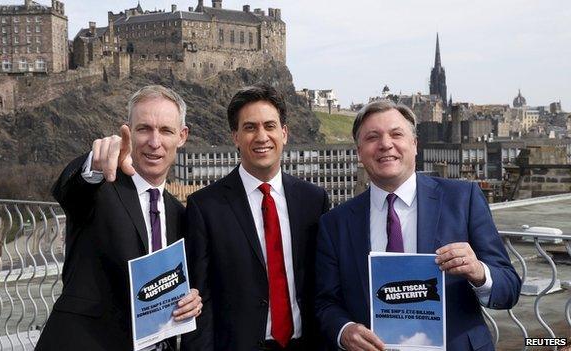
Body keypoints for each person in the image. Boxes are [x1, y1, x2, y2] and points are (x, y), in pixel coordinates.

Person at [315, 100, 521, 351]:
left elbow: (509, 287)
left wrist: (479, 273)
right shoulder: (335, 223)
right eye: (372, 137)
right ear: (359, 151)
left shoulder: (463, 199)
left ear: (415, 145)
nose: (385, 144)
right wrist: (344, 330)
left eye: (396, 134)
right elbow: (325, 302)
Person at [36, 85, 203, 351]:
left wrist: (191, 300)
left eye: (166, 131)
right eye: (144, 129)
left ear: (182, 136)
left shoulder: (180, 215)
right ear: (128, 131)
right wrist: (94, 164)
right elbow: (70, 191)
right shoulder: (101, 187)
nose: (154, 142)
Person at [182, 83, 329, 351]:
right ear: (235, 137)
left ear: (284, 133)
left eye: (270, 126)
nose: (261, 136)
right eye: (250, 127)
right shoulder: (205, 206)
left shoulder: (314, 200)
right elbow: (200, 300)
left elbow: (326, 283)